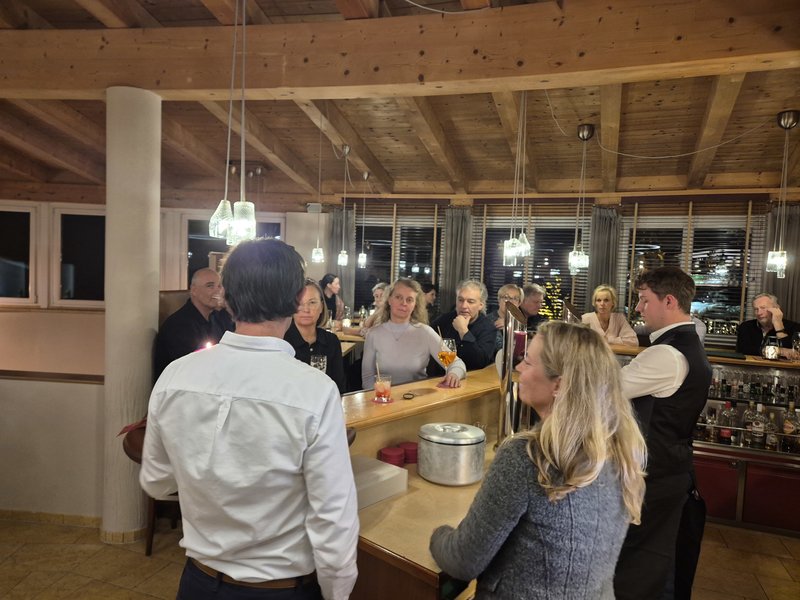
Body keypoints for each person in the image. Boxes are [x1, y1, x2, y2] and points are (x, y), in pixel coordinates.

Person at [141, 239, 358, 600]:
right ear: (296, 300)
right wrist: (337, 593)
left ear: (226, 297)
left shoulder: (175, 376)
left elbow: (156, 481)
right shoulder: (316, 391)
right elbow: (333, 516)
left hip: (198, 582)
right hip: (282, 588)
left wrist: (209, 481)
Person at [429, 322, 647, 599]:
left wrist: (437, 534)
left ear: (559, 384)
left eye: (528, 362)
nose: (519, 368)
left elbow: (463, 561)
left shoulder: (526, 457)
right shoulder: (623, 451)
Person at [614, 266, 712, 600]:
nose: (638, 308)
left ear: (669, 301)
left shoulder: (666, 354)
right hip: (673, 469)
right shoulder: (688, 345)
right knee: (658, 561)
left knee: (643, 569)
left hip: (655, 474)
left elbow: (603, 390)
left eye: (644, 300)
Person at [361, 278, 466, 389]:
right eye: (398, 297)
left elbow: (456, 363)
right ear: (389, 300)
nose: (404, 303)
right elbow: (367, 378)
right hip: (384, 397)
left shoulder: (425, 333)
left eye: (409, 299)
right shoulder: (373, 334)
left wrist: (453, 374)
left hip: (417, 397)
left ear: (415, 304)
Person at [153, 268, 234, 380]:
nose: (218, 291)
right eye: (210, 286)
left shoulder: (220, 316)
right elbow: (192, 369)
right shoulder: (178, 326)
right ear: (194, 290)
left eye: (220, 286)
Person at [284, 278, 346, 394]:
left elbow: (339, 387)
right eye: (299, 303)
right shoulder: (282, 341)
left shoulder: (331, 341)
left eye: (312, 302)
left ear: (321, 307)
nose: (306, 309)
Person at [430, 280, 496, 371]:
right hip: (441, 375)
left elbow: (480, 362)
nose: (464, 306)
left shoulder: (488, 328)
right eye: (460, 300)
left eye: (470, 302)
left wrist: (463, 331)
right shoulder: (443, 320)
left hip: (472, 377)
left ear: (480, 305)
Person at [735, 293, 799, 357]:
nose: (759, 313)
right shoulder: (746, 326)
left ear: (776, 309)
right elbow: (743, 350)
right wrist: (778, 351)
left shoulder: (794, 327)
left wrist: (778, 325)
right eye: (756, 309)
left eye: (763, 308)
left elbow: (792, 353)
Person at [486, 284, 523, 353]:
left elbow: (520, 351)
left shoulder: (520, 324)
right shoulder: (487, 321)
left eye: (515, 298)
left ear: (519, 303)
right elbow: (498, 349)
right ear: (499, 300)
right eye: (506, 297)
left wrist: (510, 326)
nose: (510, 302)